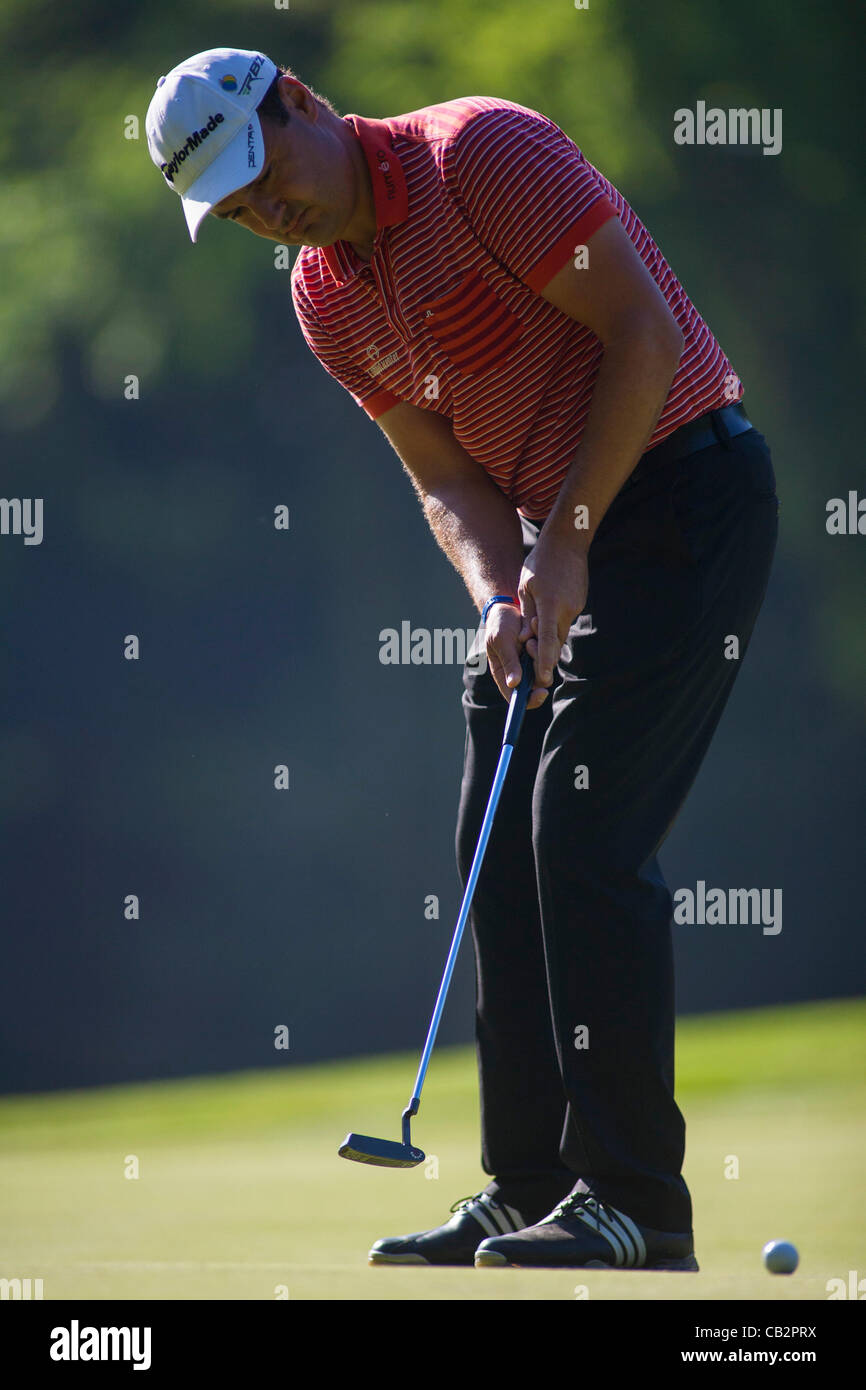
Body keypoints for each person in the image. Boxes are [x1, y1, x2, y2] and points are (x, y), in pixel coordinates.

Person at [147, 47, 779, 1270]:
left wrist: (569, 545)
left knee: (580, 836)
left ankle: (636, 1201)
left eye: (258, 171)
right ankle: (529, 1182)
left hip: (684, 493)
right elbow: (441, 476)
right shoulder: (323, 294)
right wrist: (501, 590)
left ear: (300, 102)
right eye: (230, 207)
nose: (259, 211)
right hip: (560, 542)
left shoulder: (478, 154)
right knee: (492, 839)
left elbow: (642, 340)